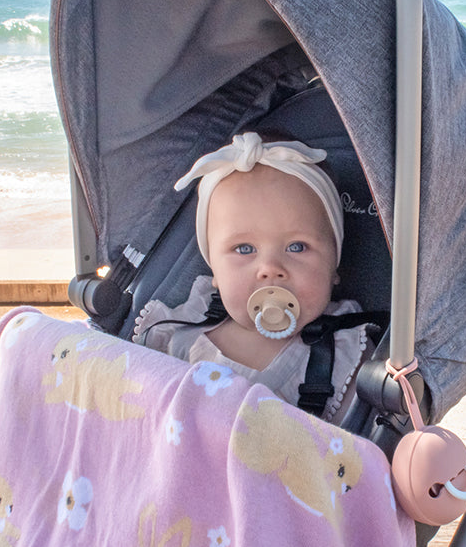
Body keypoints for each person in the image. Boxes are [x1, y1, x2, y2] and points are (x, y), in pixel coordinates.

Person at [132, 132, 378, 423]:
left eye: (297, 247)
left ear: (333, 266)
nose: (270, 268)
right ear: (215, 272)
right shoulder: (181, 329)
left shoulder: (346, 356)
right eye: (244, 249)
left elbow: (358, 454)